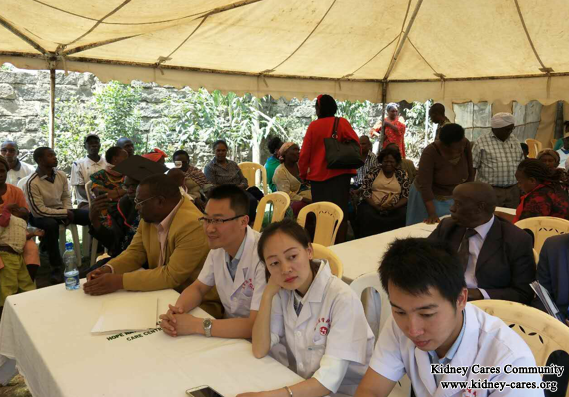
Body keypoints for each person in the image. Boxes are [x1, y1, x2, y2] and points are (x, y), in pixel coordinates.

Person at [355, 238, 543, 397]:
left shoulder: (510, 361)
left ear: (461, 299)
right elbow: (371, 391)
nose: (413, 330)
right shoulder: (400, 325)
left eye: (427, 314)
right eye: (399, 311)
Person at [237, 219, 374, 397]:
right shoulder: (283, 291)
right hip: (302, 386)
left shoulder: (342, 298)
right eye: (274, 263)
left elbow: (327, 381)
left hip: (346, 392)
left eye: (292, 256)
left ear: (309, 251)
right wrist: (267, 295)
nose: (286, 269)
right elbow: (259, 349)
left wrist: (267, 396)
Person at [83, 175, 222, 316]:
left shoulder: (192, 224)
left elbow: (171, 276)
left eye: (140, 202)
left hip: (199, 303)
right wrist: (109, 269)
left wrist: (118, 281)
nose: (136, 207)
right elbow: (135, 253)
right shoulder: (150, 216)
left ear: (160, 201)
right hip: (163, 293)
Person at [159, 185, 266, 339]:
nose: (209, 229)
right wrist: (177, 312)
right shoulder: (219, 248)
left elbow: (256, 326)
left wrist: (195, 325)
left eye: (218, 220)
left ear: (243, 221)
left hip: (266, 347)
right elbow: (199, 288)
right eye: (207, 219)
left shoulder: (265, 256)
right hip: (229, 334)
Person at [428, 182, 535, 303]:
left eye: (458, 203)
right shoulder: (448, 226)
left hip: (488, 307)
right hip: (444, 298)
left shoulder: (516, 239)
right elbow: (422, 260)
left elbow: (524, 293)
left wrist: (478, 294)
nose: (452, 208)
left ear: (480, 207)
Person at [298, 94, 360, 243]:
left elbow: (305, 153)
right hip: (341, 176)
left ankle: (324, 245)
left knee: (322, 214)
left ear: (319, 108)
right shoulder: (342, 122)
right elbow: (356, 144)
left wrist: (303, 173)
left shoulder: (314, 126)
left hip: (319, 179)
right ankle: (340, 245)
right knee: (341, 214)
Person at [23, 147, 90, 284]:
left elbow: (66, 197)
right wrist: (64, 213)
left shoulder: (60, 175)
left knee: (89, 215)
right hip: (39, 216)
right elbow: (38, 210)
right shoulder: (32, 182)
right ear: (40, 160)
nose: (55, 157)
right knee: (51, 225)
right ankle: (56, 267)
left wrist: (67, 211)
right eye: (50, 155)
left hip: (61, 210)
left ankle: (99, 253)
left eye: (54, 154)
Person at [406, 123, 474, 225]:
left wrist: (466, 198)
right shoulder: (430, 152)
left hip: (451, 196)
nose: (461, 149)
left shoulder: (465, 144)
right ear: (445, 146)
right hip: (426, 197)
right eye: (457, 147)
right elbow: (425, 186)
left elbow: (471, 172)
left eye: (462, 144)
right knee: (427, 228)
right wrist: (432, 214)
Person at [0, 156, 41, 281]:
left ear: (6, 171)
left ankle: (26, 283)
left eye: (1, 171)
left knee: (31, 248)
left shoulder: (15, 191)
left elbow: (24, 215)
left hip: (15, 232)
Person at [472, 113, 524, 209]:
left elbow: (521, 164)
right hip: (490, 190)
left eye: (512, 129)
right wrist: (473, 189)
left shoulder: (514, 140)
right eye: (507, 129)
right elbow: (473, 166)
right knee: (490, 217)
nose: (510, 132)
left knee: (511, 218)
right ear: (495, 129)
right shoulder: (481, 142)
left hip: (513, 190)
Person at [204, 140, 263, 223]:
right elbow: (212, 187)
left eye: (223, 150)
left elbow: (244, 180)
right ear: (214, 151)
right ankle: (236, 224)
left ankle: (250, 224)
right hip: (223, 194)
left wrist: (242, 185)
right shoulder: (209, 167)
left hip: (239, 190)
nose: (221, 153)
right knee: (234, 205)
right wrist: (229, 189)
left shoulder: (233, 164)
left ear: (227, 151)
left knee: (252, 200)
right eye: (218, 150)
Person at [356, 147, 410, 237]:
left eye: (392, 162)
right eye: (385, 161)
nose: (388, 164)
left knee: (403, 215)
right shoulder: (374, 172)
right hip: (373, 206)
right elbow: (365, 191)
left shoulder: (402, 174)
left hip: (395, 207)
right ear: (381, 161)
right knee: (366, 214)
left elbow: (406, 196)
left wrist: (394, 207)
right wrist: (376, 206)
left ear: (396, 163)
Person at [498, 159, 569, 223]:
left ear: (532, 180)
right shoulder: (555, 187)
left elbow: (525, 227)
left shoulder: (538, 198)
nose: (519, 186)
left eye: (520, 182)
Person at [0, 202, 36, 317]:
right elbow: (3, 222)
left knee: (25, 280)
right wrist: (6, 209)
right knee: (9, 284)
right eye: (19, 209)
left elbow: (19, 235)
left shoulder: (20, 222)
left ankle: (31, 301)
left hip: (17, 255)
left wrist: (33, 234)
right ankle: (7, 312)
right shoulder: (7, 218)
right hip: (7, 254)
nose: (23, 210)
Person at [273, 142, 312, 217]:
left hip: (307, 195)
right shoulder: (280, 171)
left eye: (298, 150)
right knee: (302, 207)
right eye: (295, 149)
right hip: (292, 201)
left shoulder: (300, 166)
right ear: (286, 152)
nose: (298, 152)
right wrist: (305, 199)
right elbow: (286, 194)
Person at [70, 134, 107, 208]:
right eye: (90, 143)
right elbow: (80, 189)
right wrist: (94, 200)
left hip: (107, 200)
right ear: (85, 146)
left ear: (100, 145)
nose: (94, 145)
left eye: (96, 142)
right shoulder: (78, 164)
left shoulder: (107, 163)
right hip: (86, 202)